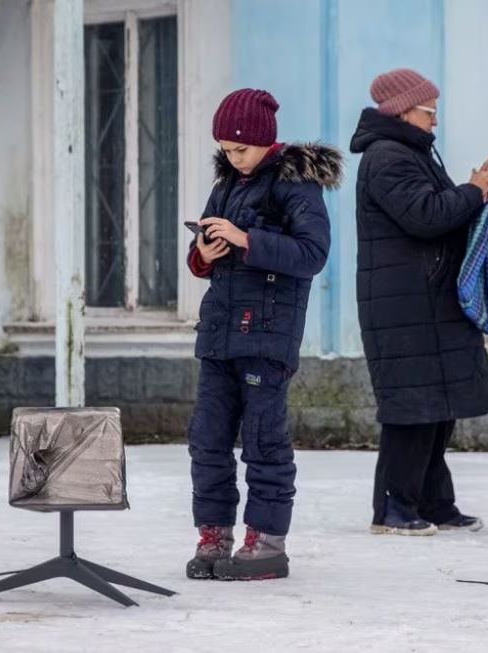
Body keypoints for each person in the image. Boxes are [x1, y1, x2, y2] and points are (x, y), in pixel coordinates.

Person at [184, 88, 342, 579]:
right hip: (220, 333)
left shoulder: (296, 185)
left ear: (264, 141)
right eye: (226, 151)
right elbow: (206, 259)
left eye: (241, 150)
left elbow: (312, 255)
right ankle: (214, 535)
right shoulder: (228, 183)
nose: (233, 159)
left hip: (268, 335)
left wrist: (247, 239)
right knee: (207, 440)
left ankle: (266, 541)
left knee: (262, 440)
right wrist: (204, 254)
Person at [349, 68, 488, 536]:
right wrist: (473, 190)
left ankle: (435, 503)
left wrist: (473, 192)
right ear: (402, 110)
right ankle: (394, 508)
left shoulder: (410, 153)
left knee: (438, 409)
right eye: (428, 111)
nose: (435, 120)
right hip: (405, 307)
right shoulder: (387, 158)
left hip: (425, 299)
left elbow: (433, 213)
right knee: (411, 410)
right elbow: (425, 216)